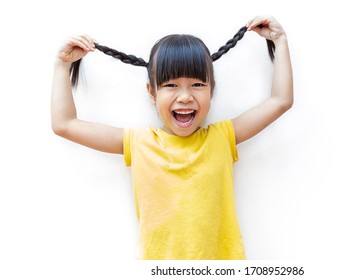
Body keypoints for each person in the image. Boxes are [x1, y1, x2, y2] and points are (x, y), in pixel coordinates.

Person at [51, 15, 293, 260]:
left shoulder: (222, 137)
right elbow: (65, 124)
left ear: (212, 89)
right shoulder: (139, 143)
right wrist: (62, 65)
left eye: (198, 84)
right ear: (152, 92)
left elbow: (280, 101)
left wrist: (280, 41)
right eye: (171, 85)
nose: (185, 96)